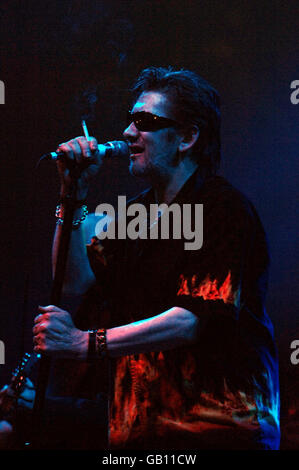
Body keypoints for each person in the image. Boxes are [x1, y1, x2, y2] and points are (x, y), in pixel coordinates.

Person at [32, 66, 280, 450]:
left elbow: (190, 320)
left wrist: (85, 343)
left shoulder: (224, 209)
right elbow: (72, 282)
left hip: (214, 428)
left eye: (144, 122)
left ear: (187, 137)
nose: (129, 132)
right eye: (130, 121)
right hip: (140, 428)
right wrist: (73, 196)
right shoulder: (133, 215)